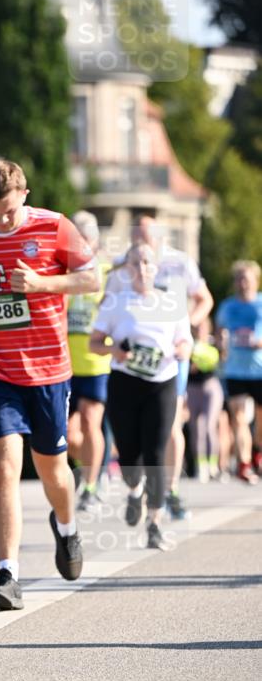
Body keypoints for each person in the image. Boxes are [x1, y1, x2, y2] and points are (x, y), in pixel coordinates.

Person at [0, 158, 98, 611]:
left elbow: (91, 278)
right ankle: (8, 572)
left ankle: (66, 527)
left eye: (8, 211)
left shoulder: (54, 226)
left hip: (48, 369)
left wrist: (42, 283)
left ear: (24, 195)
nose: (1, 221)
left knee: (52, 467)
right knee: (3, 465)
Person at [106, 216, 213, 520]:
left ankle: (171, 489)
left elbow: (205, 299)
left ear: (159, 236)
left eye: (146, 235)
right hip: (132, 356)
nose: (141, 241)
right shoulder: (123, 263)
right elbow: (107, 299)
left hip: (169, 354)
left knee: (172, 421)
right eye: (136, 236)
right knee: (132, 429)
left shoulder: (180, 263)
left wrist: (185, 326)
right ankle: (141, 485)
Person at [90, 243, 193, 550]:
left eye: (147, 262)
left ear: (156, 267)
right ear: (127, 269)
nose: (142, 268)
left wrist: (174, 351)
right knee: (130, 457)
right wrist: (115, 351)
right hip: (125, 381)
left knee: (156, 454)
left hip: (162, 382)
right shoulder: (115, 303)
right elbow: (94, 343)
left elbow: (186, 344)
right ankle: (134, 491)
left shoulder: (171, 302)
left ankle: (155, 524)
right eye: (136, 263)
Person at [66, 211, 112, 513]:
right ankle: (91, 471)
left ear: (94, 242)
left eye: (85, 241)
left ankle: (92, 485)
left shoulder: (108, 273)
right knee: (69, 434)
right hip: (65, 362)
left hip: (96, 361)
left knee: (91, 422)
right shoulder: (63, 272)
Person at [215, 260, 262, 484]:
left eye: (247, 279)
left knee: (260, 421)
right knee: (239, 418)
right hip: (234, 369)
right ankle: (244, 464)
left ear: (255, 280)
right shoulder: (227, 306)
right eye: (239, 279)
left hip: (260, 368)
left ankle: (257, 454)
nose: (243, 283)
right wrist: (221, 343)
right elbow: (218, 333)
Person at [186, 319, 223, 483]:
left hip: (210, 387)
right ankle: (200, 465)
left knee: (209, 427)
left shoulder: (212, 344)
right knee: (196, 428)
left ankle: (213, 465)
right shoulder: (187, 343)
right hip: (193, 388)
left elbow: (213, 361)